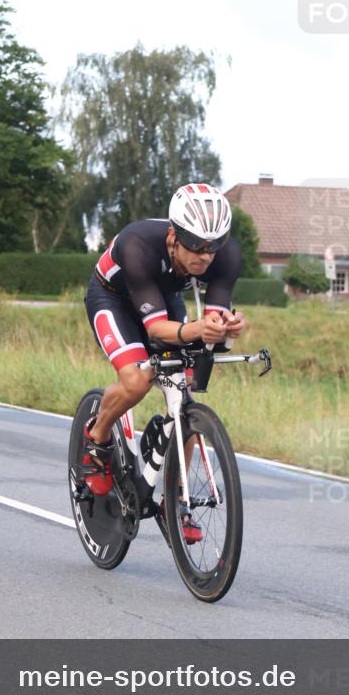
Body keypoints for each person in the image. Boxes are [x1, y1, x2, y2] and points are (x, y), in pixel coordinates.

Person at [82, 183, 246, 541]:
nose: (205, 256)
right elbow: (156, 328)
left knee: (183, 393)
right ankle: (97, 439)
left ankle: (176, 501)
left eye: (214, 246)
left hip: (165, 297)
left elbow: (212, 330)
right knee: (137, 381)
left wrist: (228, 328)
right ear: (173, 236)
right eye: (196, 247)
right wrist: (196, 329)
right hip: (113, 299)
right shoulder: (136, 244)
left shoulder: (226, 256)